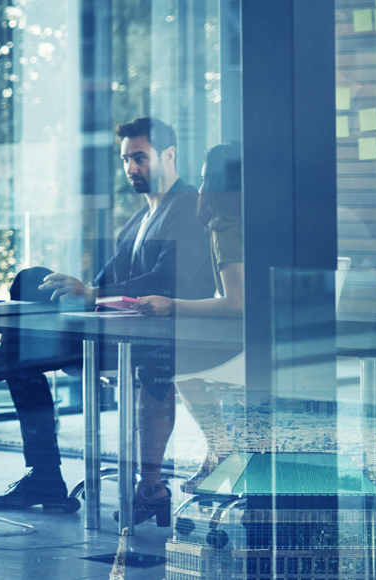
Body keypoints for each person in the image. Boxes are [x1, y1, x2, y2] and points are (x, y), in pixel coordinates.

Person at [0, 118, 214, 521]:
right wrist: (81, 291)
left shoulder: (186, 208)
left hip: (149, 337)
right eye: (126, 160)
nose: (131, 169)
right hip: (110, 329)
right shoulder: (139, 222)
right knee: (30, 281)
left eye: (140, 158)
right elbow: (104, 283)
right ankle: (44, 471)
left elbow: (167, 281)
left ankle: (9, 363)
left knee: (20, 357)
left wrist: (93, 294)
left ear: (169, 155)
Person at [131, 143, 246, 494]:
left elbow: (237, 303)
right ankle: (216, 454)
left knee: (176, 360)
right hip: (283, 339)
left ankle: (221, 449)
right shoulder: (261, 220)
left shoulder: (226, 226)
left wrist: (172, 304)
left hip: (248, 345)